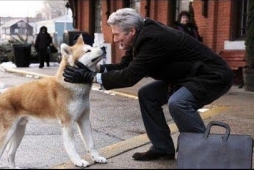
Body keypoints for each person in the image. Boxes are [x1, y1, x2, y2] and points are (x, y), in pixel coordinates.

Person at [63, 8, 234, 161]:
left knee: (179, 102)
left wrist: (89, 77)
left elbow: (129, 77)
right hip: (187, 76)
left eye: (116, 34)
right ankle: (162, 148)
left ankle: (207, 152)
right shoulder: (140, 37)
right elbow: (125, 66)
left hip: (212, 76)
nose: (114, 39)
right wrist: (92, 68)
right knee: (147, 95)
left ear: (132, 31)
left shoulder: (153, 39)